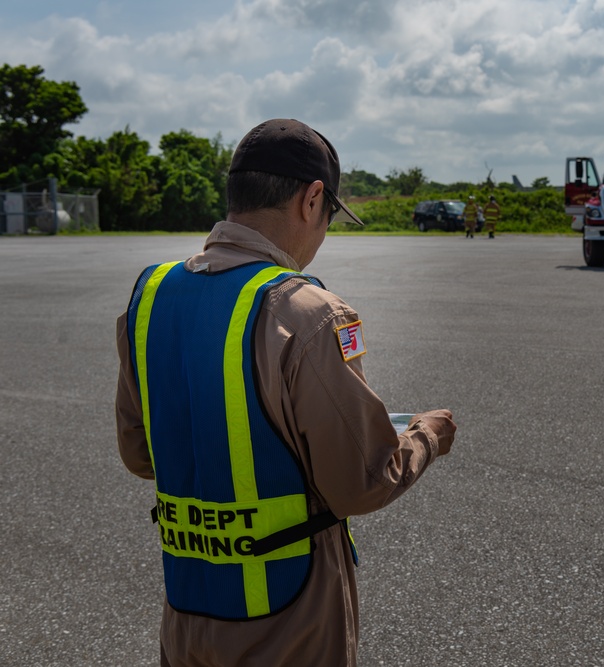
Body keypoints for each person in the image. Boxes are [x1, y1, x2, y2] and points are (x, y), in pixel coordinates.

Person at [114, 118, 457, 667]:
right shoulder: (309, 314)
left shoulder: (149, 297)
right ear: (312, 198)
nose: (322, 235)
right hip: (287, 620)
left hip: (187, 608)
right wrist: (424, 437)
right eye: (328, 218)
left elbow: (139, 454)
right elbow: (360, 483)